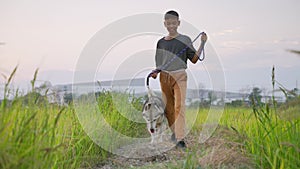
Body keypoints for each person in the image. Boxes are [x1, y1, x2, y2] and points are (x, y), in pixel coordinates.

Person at [151, 10, 207, 148]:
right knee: (168, 109)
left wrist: (202, 44)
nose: (171, 26)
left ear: (178, 23)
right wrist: (155, 72)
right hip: (164, 77)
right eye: (168, 23)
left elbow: (194, 59)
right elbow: (159, 63)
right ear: (164, 24)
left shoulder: (185, 40)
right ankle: (174, 133)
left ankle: (180, 139)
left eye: (174, 23)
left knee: (179, 106)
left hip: (180, 76)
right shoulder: (160, 43)